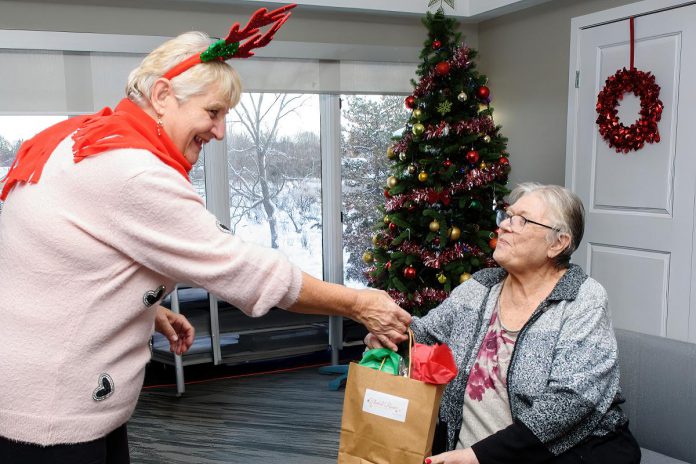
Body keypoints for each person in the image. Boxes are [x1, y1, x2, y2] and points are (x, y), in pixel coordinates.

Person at [0, 7, 411, 463]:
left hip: (25, 391)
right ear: (161, 95)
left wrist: (144, 311)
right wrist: (359, 303)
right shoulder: (134, 172)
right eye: (213, 112)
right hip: (52, 415)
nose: (219, 130)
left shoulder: (83, 137)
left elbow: (58, 260)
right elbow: (244, 270)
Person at [366, 183, 640, 464]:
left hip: (557, 455)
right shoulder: (480, 287)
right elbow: (425, 334)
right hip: (465, 452)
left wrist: (478, 456)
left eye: (521, 220)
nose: (505, 226)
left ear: (557, 243)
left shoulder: (583, 298)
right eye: (507, 216)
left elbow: (570, 401)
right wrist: (391, 333)